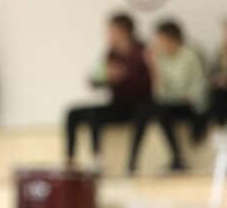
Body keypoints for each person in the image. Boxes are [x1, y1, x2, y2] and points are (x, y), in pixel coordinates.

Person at [65, 12, 152, 169]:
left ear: (123, 31)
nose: (108, 34)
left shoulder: (142, 51)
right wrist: (103, 78)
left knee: (95, 115)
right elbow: (97, 80)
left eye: (111, 30)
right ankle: (71, 160)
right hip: (117, 103)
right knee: (73, 112)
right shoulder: (111, 53)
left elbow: (150, 82)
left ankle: (99, 161)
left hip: (137, 106)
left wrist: (124, 77)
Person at [128, 20, 207, 173]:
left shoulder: (189, 55)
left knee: (160, 110)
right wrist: (153, 67)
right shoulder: (161, 58)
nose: (158, 44)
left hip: (192, 104)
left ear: (172, 38)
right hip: (170, 104)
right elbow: (160, 94)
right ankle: (132, 161)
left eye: (160, 39)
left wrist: (188, 97)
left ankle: (177, 158)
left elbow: (200, 85)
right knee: (145, 110)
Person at [208, 20, 227, 126]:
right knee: (218, 92)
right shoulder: (219, 51)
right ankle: (221, 126)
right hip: (222, 90)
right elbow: (212, 73)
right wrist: (219, 79)